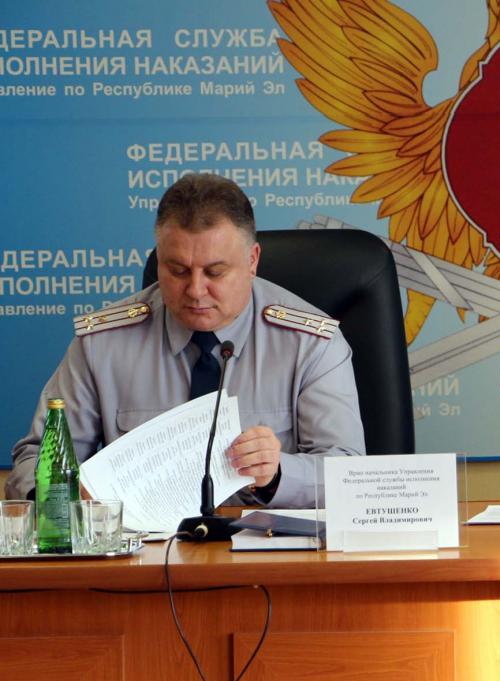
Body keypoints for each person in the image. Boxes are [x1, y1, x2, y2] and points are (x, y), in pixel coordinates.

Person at [6, 173, 365, 507]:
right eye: (177, 271)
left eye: (215, 272)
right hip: (144, 548)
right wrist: (63, 495)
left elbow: (348, 473)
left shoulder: (310, 342)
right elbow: (34, 458)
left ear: (252, 261)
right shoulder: (102, 344)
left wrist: (278, 475)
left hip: (267, 544)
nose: (195, 290)